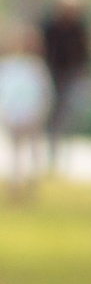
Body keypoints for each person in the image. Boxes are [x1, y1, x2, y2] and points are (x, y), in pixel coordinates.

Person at [38, 0, 91, 170]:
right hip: (52, 72)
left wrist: (84, 73)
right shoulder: (50, 24)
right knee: (50, 114)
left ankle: (62, 155)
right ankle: (49, 153)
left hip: (71, 73)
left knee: (67, 114)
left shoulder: (80, 27)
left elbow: (86, 52)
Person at [0, 27, 45, 199]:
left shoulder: (36, 67)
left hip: (30, 113)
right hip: (14, 113)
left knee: (31, 151)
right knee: (16, 152)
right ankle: (16, 184)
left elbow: (44, 94)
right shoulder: (10, 65)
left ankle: (30, 183)